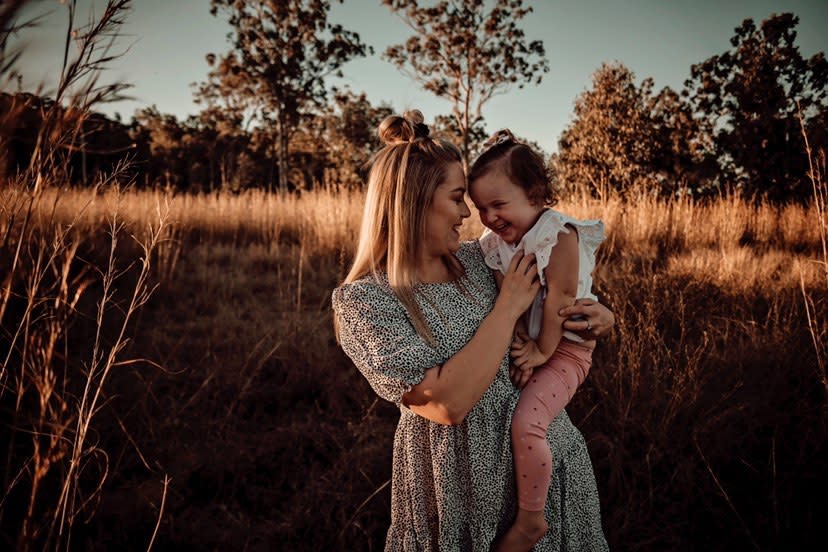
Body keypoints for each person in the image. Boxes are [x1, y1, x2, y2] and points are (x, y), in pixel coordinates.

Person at [332, 110, 612, 551]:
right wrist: (507, 309)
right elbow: (446, 405)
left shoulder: (482, 260)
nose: (469, 214)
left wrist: (601, 315)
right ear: (414, 202)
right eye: (458, 197)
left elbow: (560, 289)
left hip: (547, 472)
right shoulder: (366, 301)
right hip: (458, 495)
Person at [467, 129, 605, 550]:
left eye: (499, 204)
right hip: (530, 344)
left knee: (528, 423)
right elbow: (502, 303)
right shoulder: (493, 245)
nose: (489, 217)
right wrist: (518, 348)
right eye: (480, 208)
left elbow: (560, 301)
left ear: (535, 192)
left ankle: (532, 519)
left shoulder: (557, 234)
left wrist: (540, 351)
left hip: (565, 348)